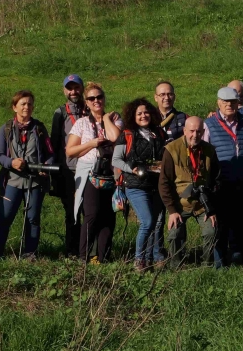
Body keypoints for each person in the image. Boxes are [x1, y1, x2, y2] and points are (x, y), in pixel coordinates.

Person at [0, 90, 54, 260]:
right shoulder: (6, 129)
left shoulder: (39, 128)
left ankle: (29, 253)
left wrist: (45, 167)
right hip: (12, 181)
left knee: (33, 218)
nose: (27, 107)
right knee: (4, 217)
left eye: (30, 104)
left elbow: (50, 153)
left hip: (35, 182)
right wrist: (11, 163)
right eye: (23, 104)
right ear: (14, 107)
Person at [66, 82, 122, 263]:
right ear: (86, 102)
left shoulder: (115, 120)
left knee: (108, 215)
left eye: (99, 97)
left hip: (111, 173)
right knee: (92, 214)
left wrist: (105, 119)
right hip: (90, 172)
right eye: (91, 98)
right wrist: (91, 144)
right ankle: (83, 257)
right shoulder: (81, 124)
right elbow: (70, 151)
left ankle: (103, 257)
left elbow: (115, 138)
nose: (96, 101)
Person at [204, 87, 243, 267]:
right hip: (222, 183)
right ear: (218, 102)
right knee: (222, 226)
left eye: (233, 102)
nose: (230, 105)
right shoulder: (209, 124)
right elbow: (205, 156)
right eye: (226, 102)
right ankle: (220, 265)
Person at [159, 116, 221, 267]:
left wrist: (211, 209)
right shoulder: (171, 150)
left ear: (203, 131)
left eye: (199, 131)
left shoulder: (209, 150)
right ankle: (176, 266)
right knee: (174, 234)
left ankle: (207, 265)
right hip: (180, 202)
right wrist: (172, 210)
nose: (195, 135)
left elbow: (217, 180)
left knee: (211, 232)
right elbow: (164, 183)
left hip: (202, 203)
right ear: (184, 131)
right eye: (192, 131)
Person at [112, 98, 166, 271]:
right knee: (147, 221)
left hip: (155, 184)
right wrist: (132, 169)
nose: (144, 116)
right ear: (133, 116)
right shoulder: (127, 134)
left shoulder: (158, 133)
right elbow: (116, 160)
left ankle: (151, 259)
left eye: (146, 112)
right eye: (139, 113)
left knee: (157, 223)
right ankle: (139, 260)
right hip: (135, 185)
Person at [50, 74, 87, 258]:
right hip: (68, 170)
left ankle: (87, 250)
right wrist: (56, 174)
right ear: (64, 90)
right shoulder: (60, 112)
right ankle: (72, 250)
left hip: (89, 168)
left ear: (82, 88)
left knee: (89, 211)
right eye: (69, 88)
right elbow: (54, 143)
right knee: (72, 213)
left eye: (76, 87)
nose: (73, 91)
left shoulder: (90, 108)